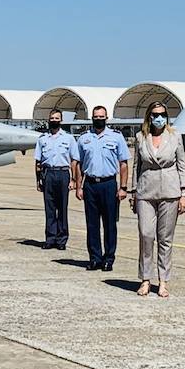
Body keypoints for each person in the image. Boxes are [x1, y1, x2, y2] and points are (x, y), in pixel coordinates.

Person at [129, 103, 185, 297]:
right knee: (146, 235)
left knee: (165, 239)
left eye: (162, 114)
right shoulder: (140, 137)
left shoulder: (175, 136)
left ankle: (163, 280)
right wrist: (133, 192)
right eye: (155, 115)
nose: (159, 118)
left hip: (170, 191)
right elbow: (136, 166)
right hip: (146, 191)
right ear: (149, 116)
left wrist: (184, 194)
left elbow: (182, 165)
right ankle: (146, 279)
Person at [71, 106, 130, 272]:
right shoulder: (84, 138)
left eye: (101, 116)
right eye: (96, 116)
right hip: (90, 185)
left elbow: (123, 163)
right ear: (92, 118)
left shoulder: (116, 137)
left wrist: (123, 187)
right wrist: (78, 185)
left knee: (110, 224)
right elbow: (79, 163)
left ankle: (108, 259)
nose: (99, 119)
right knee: (92, 224)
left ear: (106, 118)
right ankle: (95, 258)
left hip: (109, 184)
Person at [34, 109, 75, 250]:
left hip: (63, 173)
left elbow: (74, 160)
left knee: (62, 208)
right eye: (52, 118)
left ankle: (62, 239)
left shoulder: (68, 138)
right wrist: (38, 180)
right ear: (48, 119)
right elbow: (38, 161)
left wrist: (73, 179)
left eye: (57, 118)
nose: (54, 120)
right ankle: (50, 238)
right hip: (48, 174)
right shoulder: (42, 139)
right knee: (49, 208)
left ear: (61, 120)